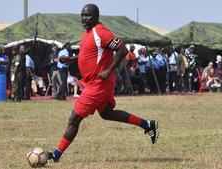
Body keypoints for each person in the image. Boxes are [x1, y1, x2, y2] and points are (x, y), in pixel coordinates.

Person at [47, 4, 159, 163]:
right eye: (83, 15)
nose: (84, 18)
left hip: (98, 84)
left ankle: (55, 155)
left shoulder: (101, 32)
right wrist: (72, 59)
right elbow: (90, 54)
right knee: (107, 113)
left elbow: (123, 49)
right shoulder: (88, 33)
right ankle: (148, 125)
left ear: (96, 17)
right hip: (93, 83)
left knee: (74, 118)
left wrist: (108, 71)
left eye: (88, 15)